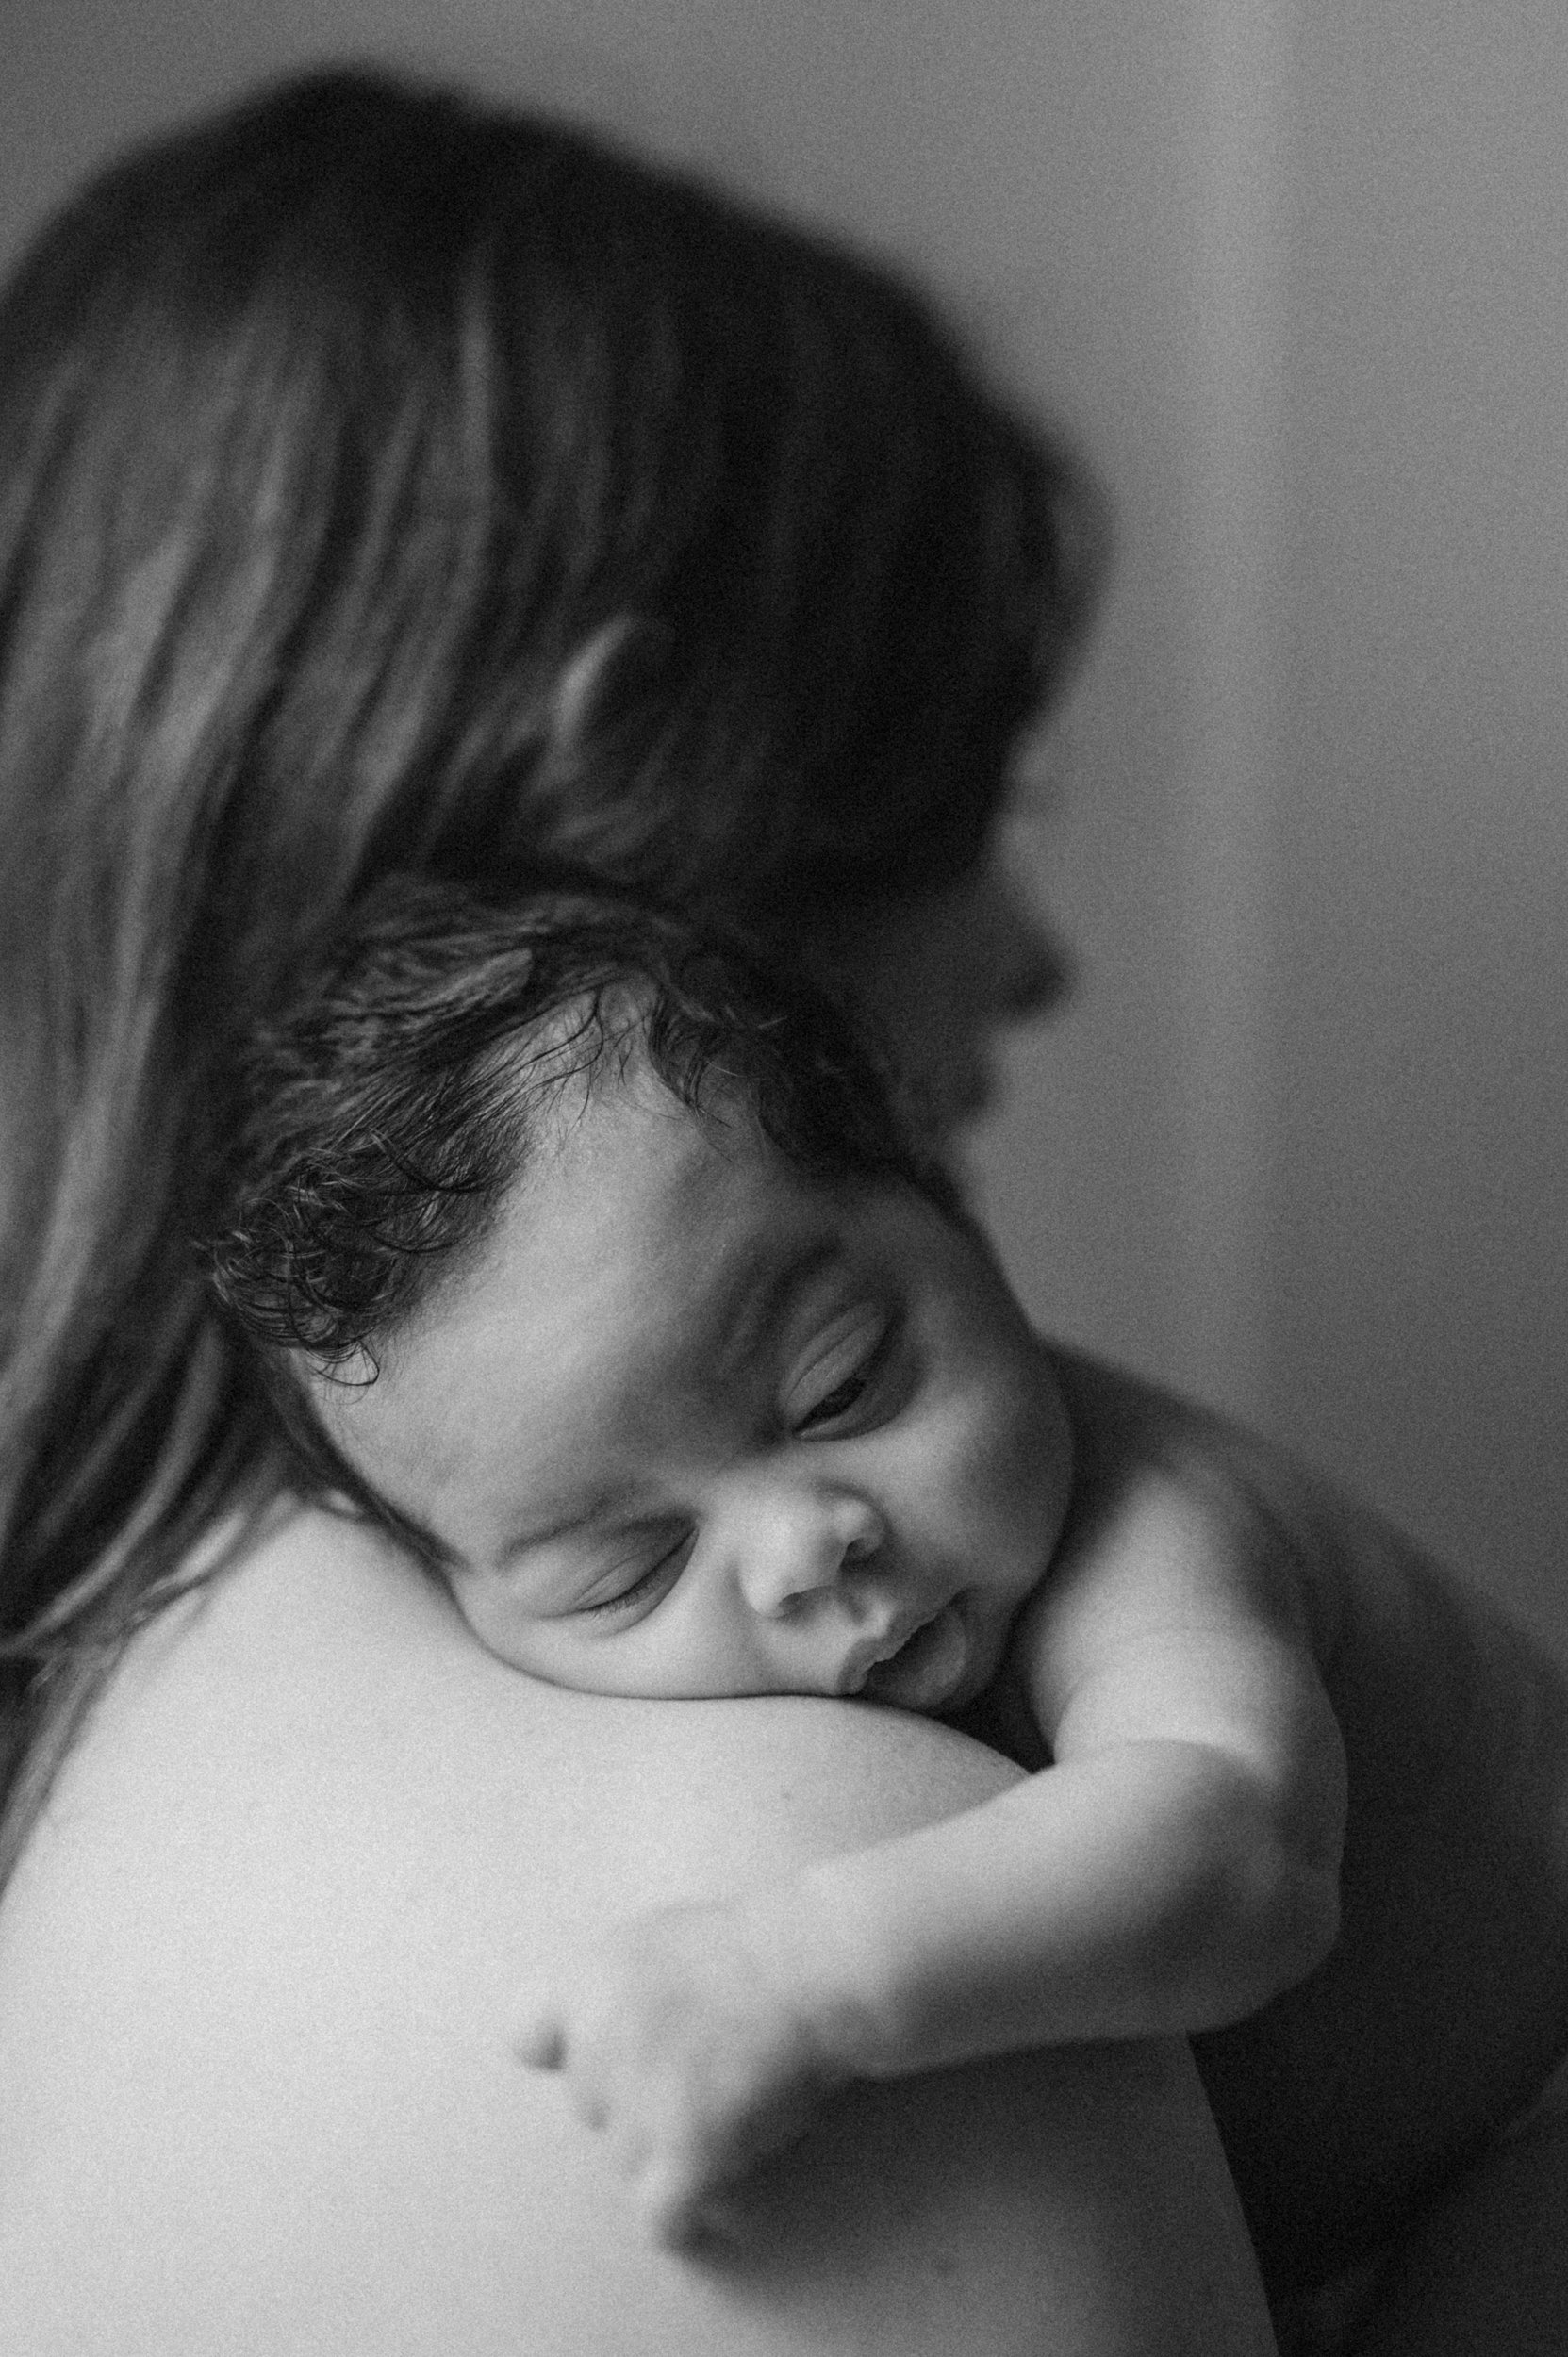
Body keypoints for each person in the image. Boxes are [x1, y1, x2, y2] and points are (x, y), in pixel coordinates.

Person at [0, 61, 1560, 2356]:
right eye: (964, 791)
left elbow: (1239, 1850)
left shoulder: (139, 1775)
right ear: (629, 773)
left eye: (836, 1376)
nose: (1034, 958)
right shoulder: (765, 1830)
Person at [196, 877, 1568, 2283]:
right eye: (627, 1569)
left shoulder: (1151, 1530)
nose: (800, 1550)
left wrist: (795, 1973)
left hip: (1523, 2128)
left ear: (949, 1201)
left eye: (840, 1384)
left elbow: (1240, 1859)